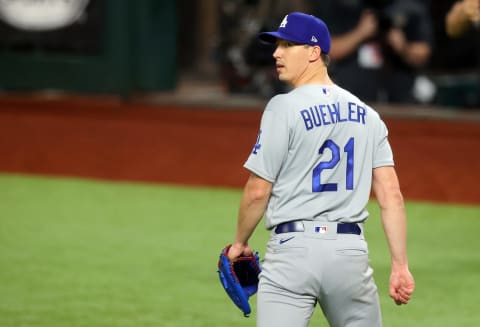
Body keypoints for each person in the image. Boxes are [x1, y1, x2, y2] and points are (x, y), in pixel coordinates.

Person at [226, 11, 415, 327]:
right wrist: (400, 265)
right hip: (349, 257)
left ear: (314, 52)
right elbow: (391, 196)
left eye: (287, 45)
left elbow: (258, 190)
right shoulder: (369, 116)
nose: (276, 53)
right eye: (277, 45)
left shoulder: (282, 107)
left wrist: (240, 243)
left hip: (292, 255)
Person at [314, 0, 433, 104]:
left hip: (398, 103)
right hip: (350, 101)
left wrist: (403, 47)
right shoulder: (340, 6)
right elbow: (324, 51)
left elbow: (423, 54)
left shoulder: (409, 8)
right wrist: (360, 33)